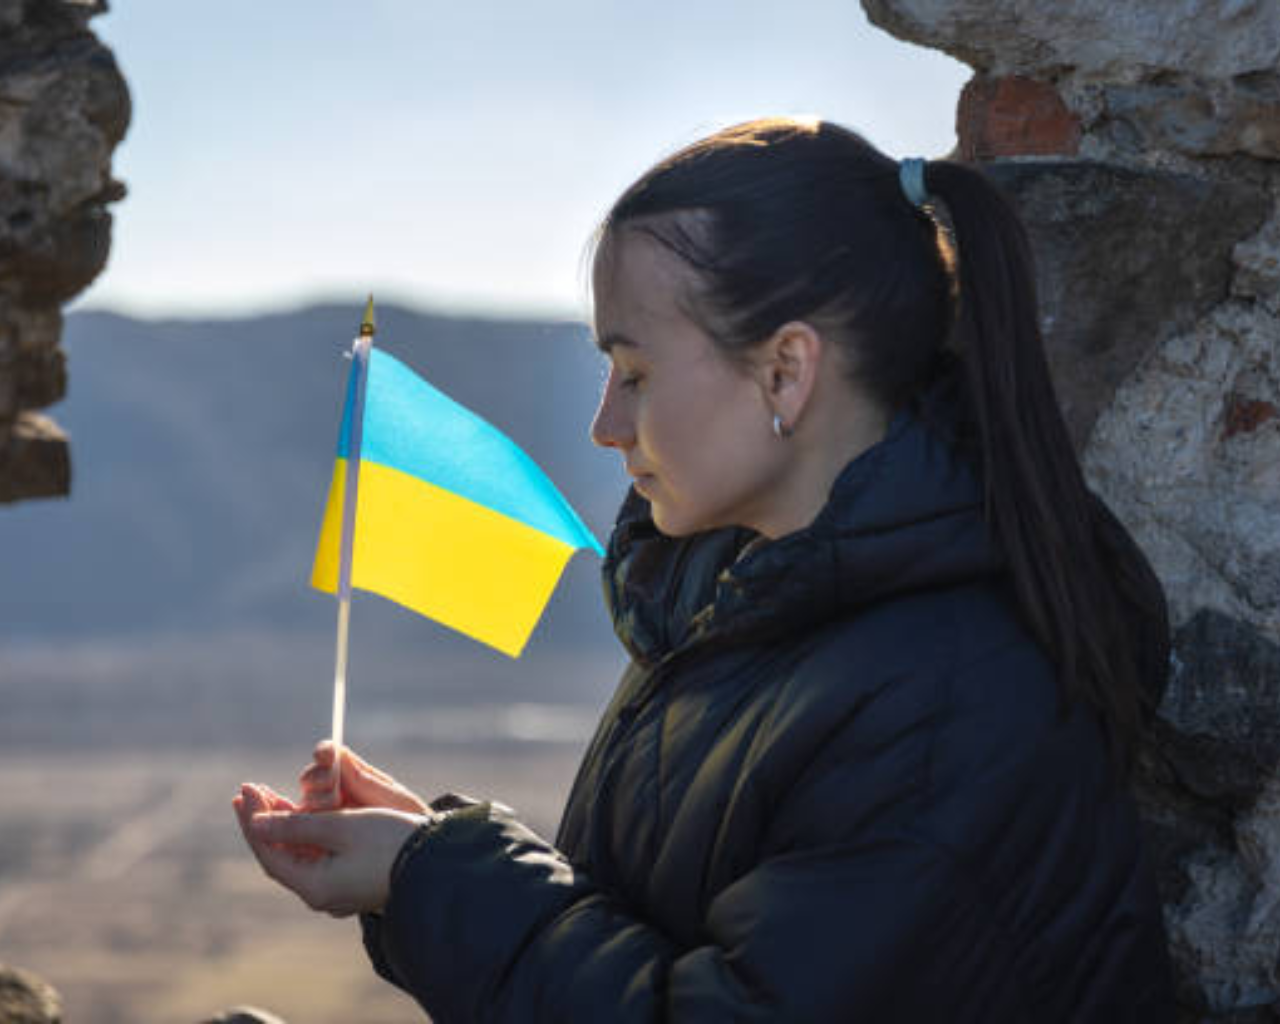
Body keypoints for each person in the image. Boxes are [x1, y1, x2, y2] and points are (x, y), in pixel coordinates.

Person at [234, 117, 1176, 1021]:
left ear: (786, 371)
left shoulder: (945, 712)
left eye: (635, 373)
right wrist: (426, 862)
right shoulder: (738, 612)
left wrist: (430, 879)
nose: (603, 425)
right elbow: (647, 942)